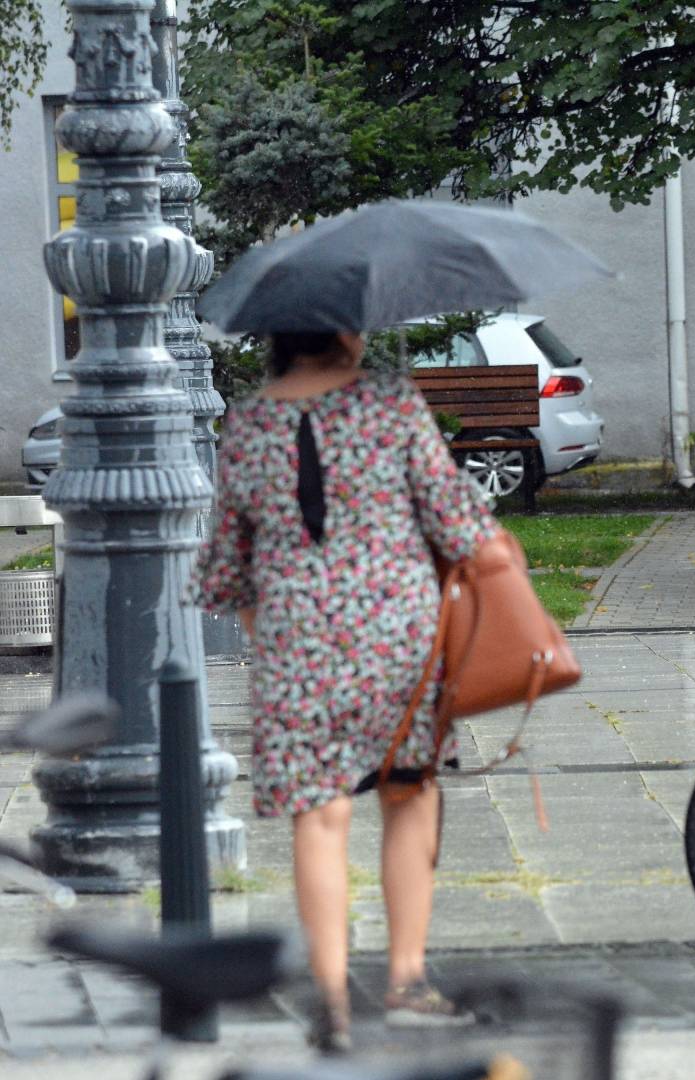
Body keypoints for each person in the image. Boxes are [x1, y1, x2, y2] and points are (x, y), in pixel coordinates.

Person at [189, 331, 498, 1052]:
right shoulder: (392, 405)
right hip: (399, 637)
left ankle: (331, 1001)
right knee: (410, 794)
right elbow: (460, 526)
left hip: (297, 645)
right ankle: (407, 983)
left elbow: (225, 570)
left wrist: (267, 630)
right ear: (343, 333)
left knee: (319, 818)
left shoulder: (250, 422)